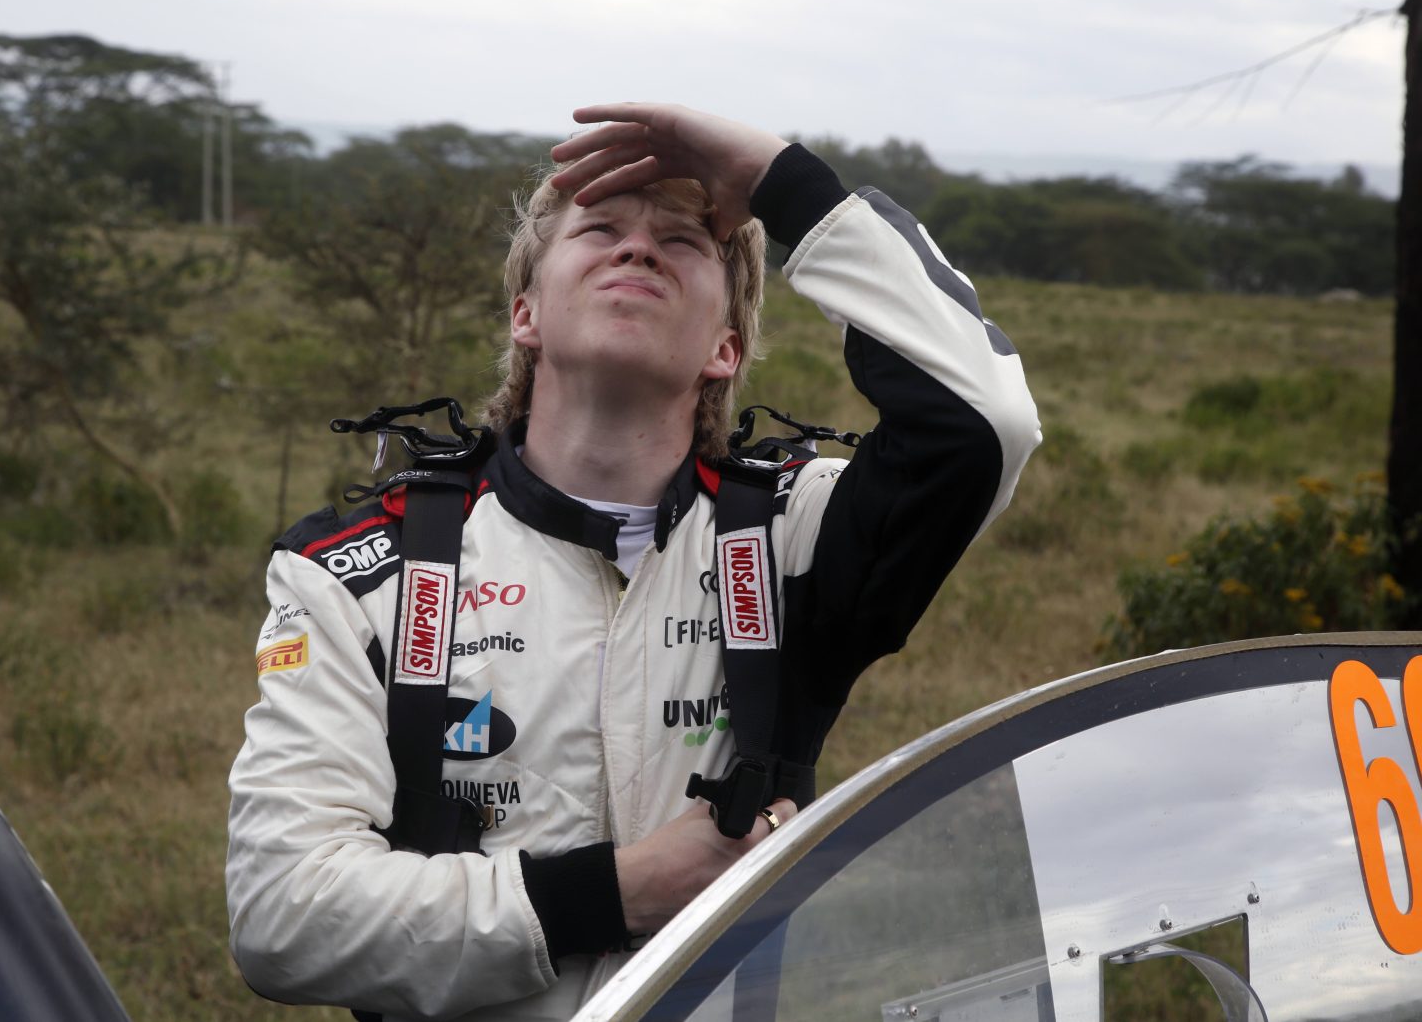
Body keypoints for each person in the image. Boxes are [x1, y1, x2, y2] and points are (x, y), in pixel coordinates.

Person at [226, 103, 1040, 1021]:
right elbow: (280, 914)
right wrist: (619, 891)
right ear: (526, 313)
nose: (639, 249)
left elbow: (984, 423)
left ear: (726, 346)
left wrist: (783, 182)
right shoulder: (356, 574)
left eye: (683, 241)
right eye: (599, 229)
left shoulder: (789, 537)